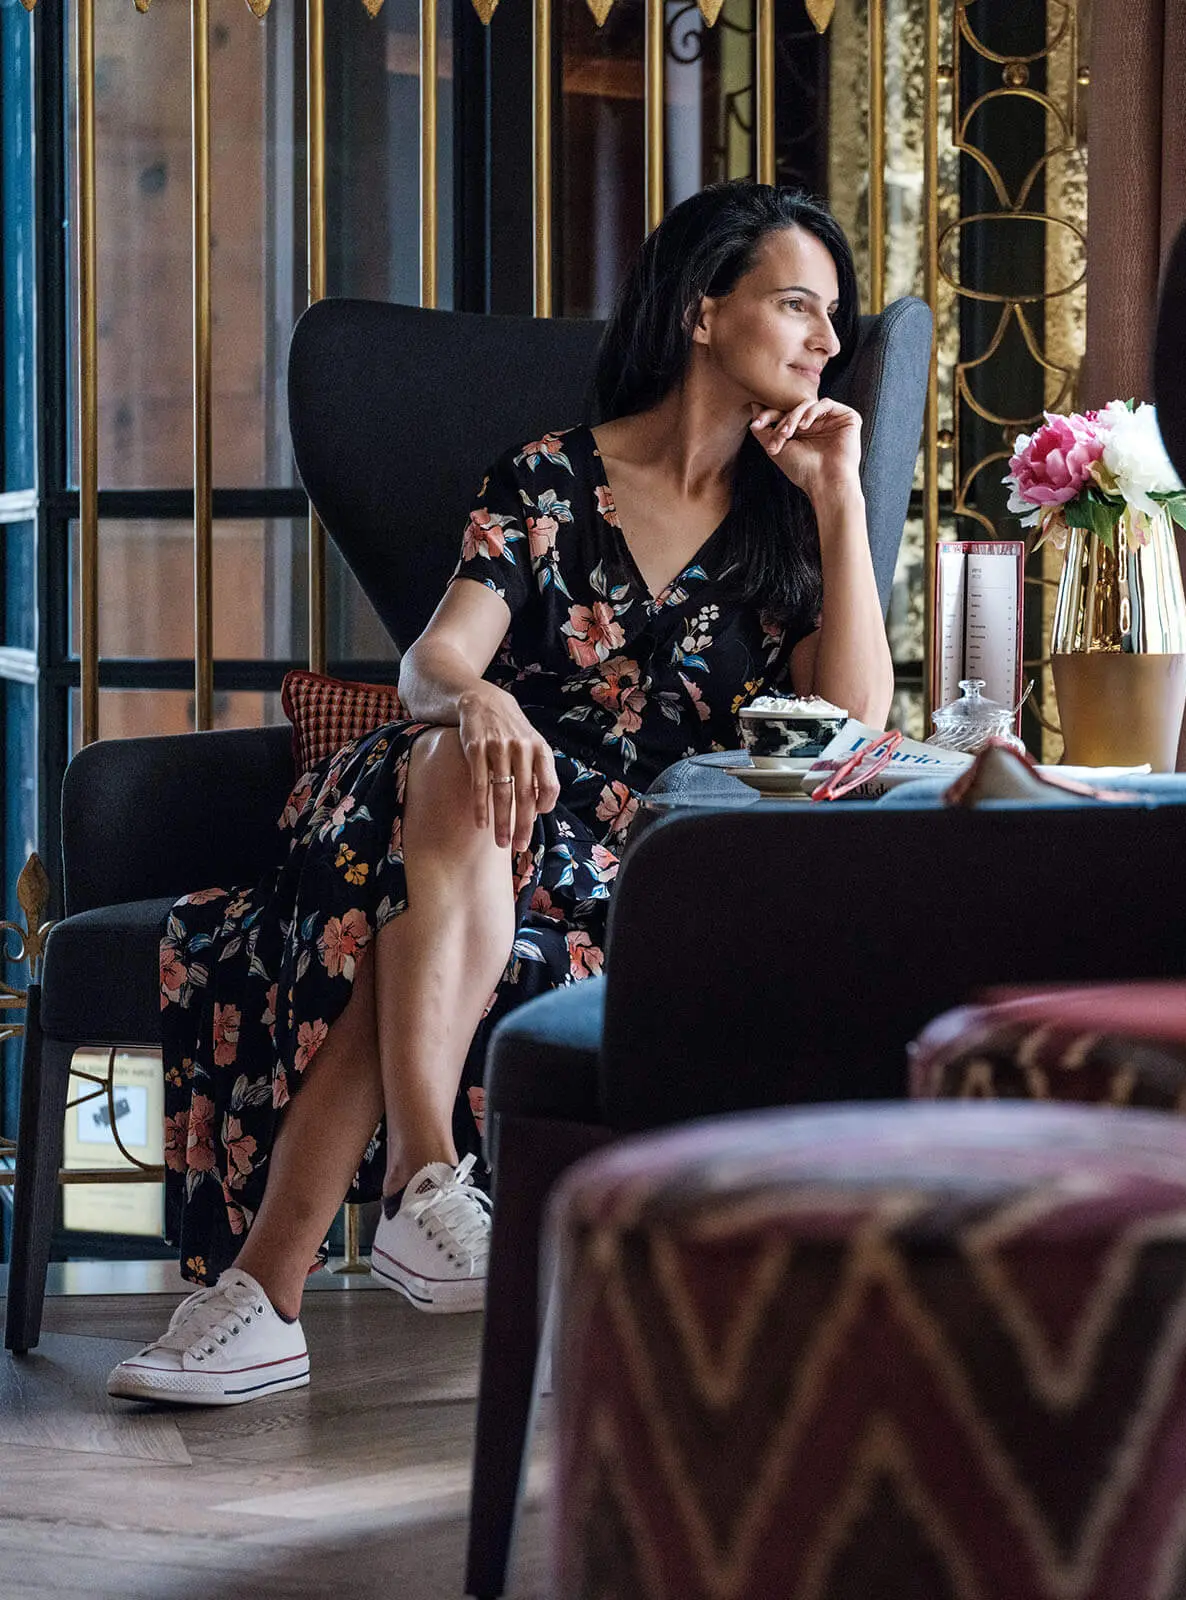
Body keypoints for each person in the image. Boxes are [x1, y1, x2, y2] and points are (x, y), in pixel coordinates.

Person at [112, 180, 893, 1405]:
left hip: (605, 854)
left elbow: (849, 730)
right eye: (797, 304)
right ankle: (427, 1178)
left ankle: (264, 1293)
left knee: (398, 911)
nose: (825, 341)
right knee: (451, 764)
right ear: (702, 311)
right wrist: (483, 701)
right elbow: (433, 662)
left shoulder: (786, 529)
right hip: (440, 789)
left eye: (832, 317)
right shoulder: (547, 480)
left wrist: (840, 503)